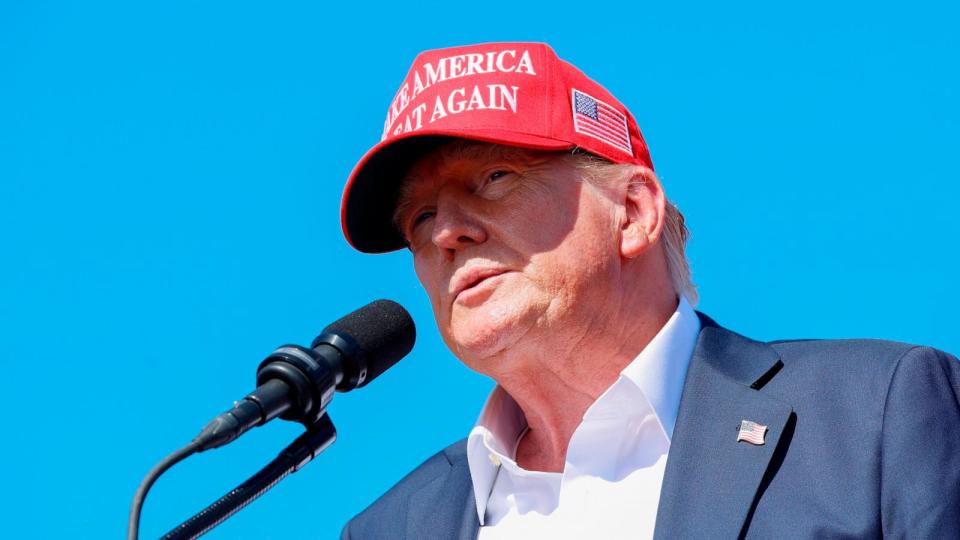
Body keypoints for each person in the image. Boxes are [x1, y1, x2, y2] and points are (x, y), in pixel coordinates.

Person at [337, 42, 960, 539]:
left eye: (494, 177)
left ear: (632, 212)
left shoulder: (876, 414)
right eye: (419, 218)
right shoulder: (388, 527)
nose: (446, 232)